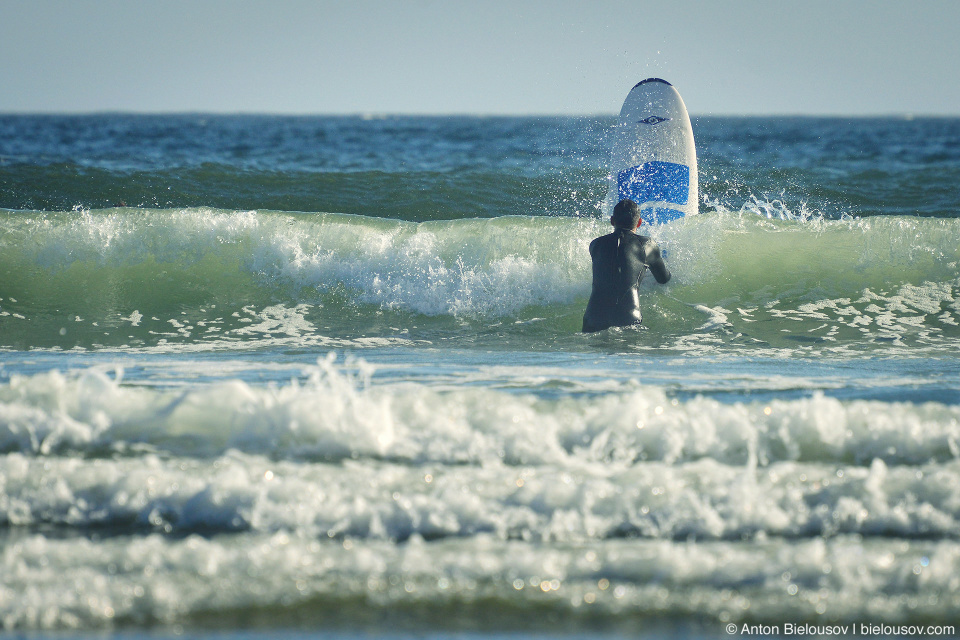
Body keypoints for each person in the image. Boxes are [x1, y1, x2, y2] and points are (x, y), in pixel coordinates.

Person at [582, 199, 671, 333]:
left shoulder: (595, 244)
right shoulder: (647, 244)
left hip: (593, 320)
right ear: (639, 222)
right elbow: (663, 279)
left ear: (612, 221)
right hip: (628, 320)